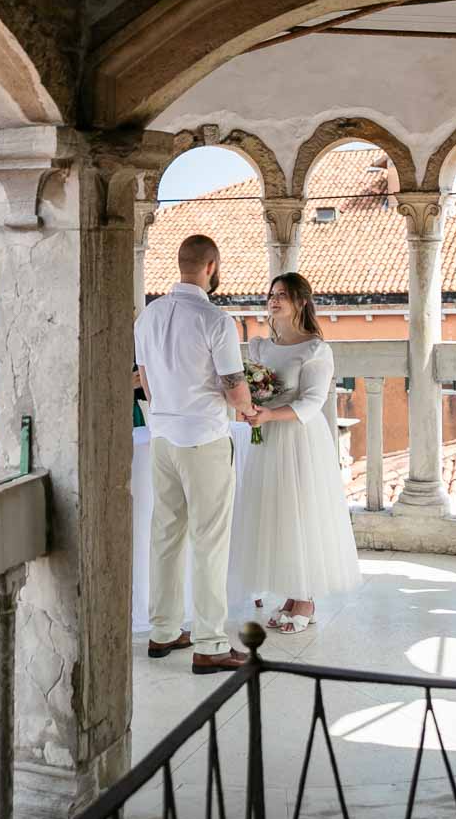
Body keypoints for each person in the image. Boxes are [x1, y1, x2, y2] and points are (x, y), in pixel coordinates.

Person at [133, 234, 254, 673]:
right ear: (211, 266)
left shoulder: (147, 317)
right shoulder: (215, 319)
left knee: (165, 534)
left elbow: (144, 382)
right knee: (209, 541)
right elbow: (233, 385)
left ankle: (163, 632)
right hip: (203, 437)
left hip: (163, 435)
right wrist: (250, 411)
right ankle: (209, 641)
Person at [228, 273, 363, 633]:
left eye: (283, 295)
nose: (274, 300)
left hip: (299, 438)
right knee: (274, 513)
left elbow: (313, 401)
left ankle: (306, 598)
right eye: (271, 294)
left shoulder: (315, 349)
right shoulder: (259, 347)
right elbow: (245, 386)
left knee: (299, 512)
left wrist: (270, 413)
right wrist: (251, 408)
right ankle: (290, 593)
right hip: (267, 437)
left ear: (301, 302)